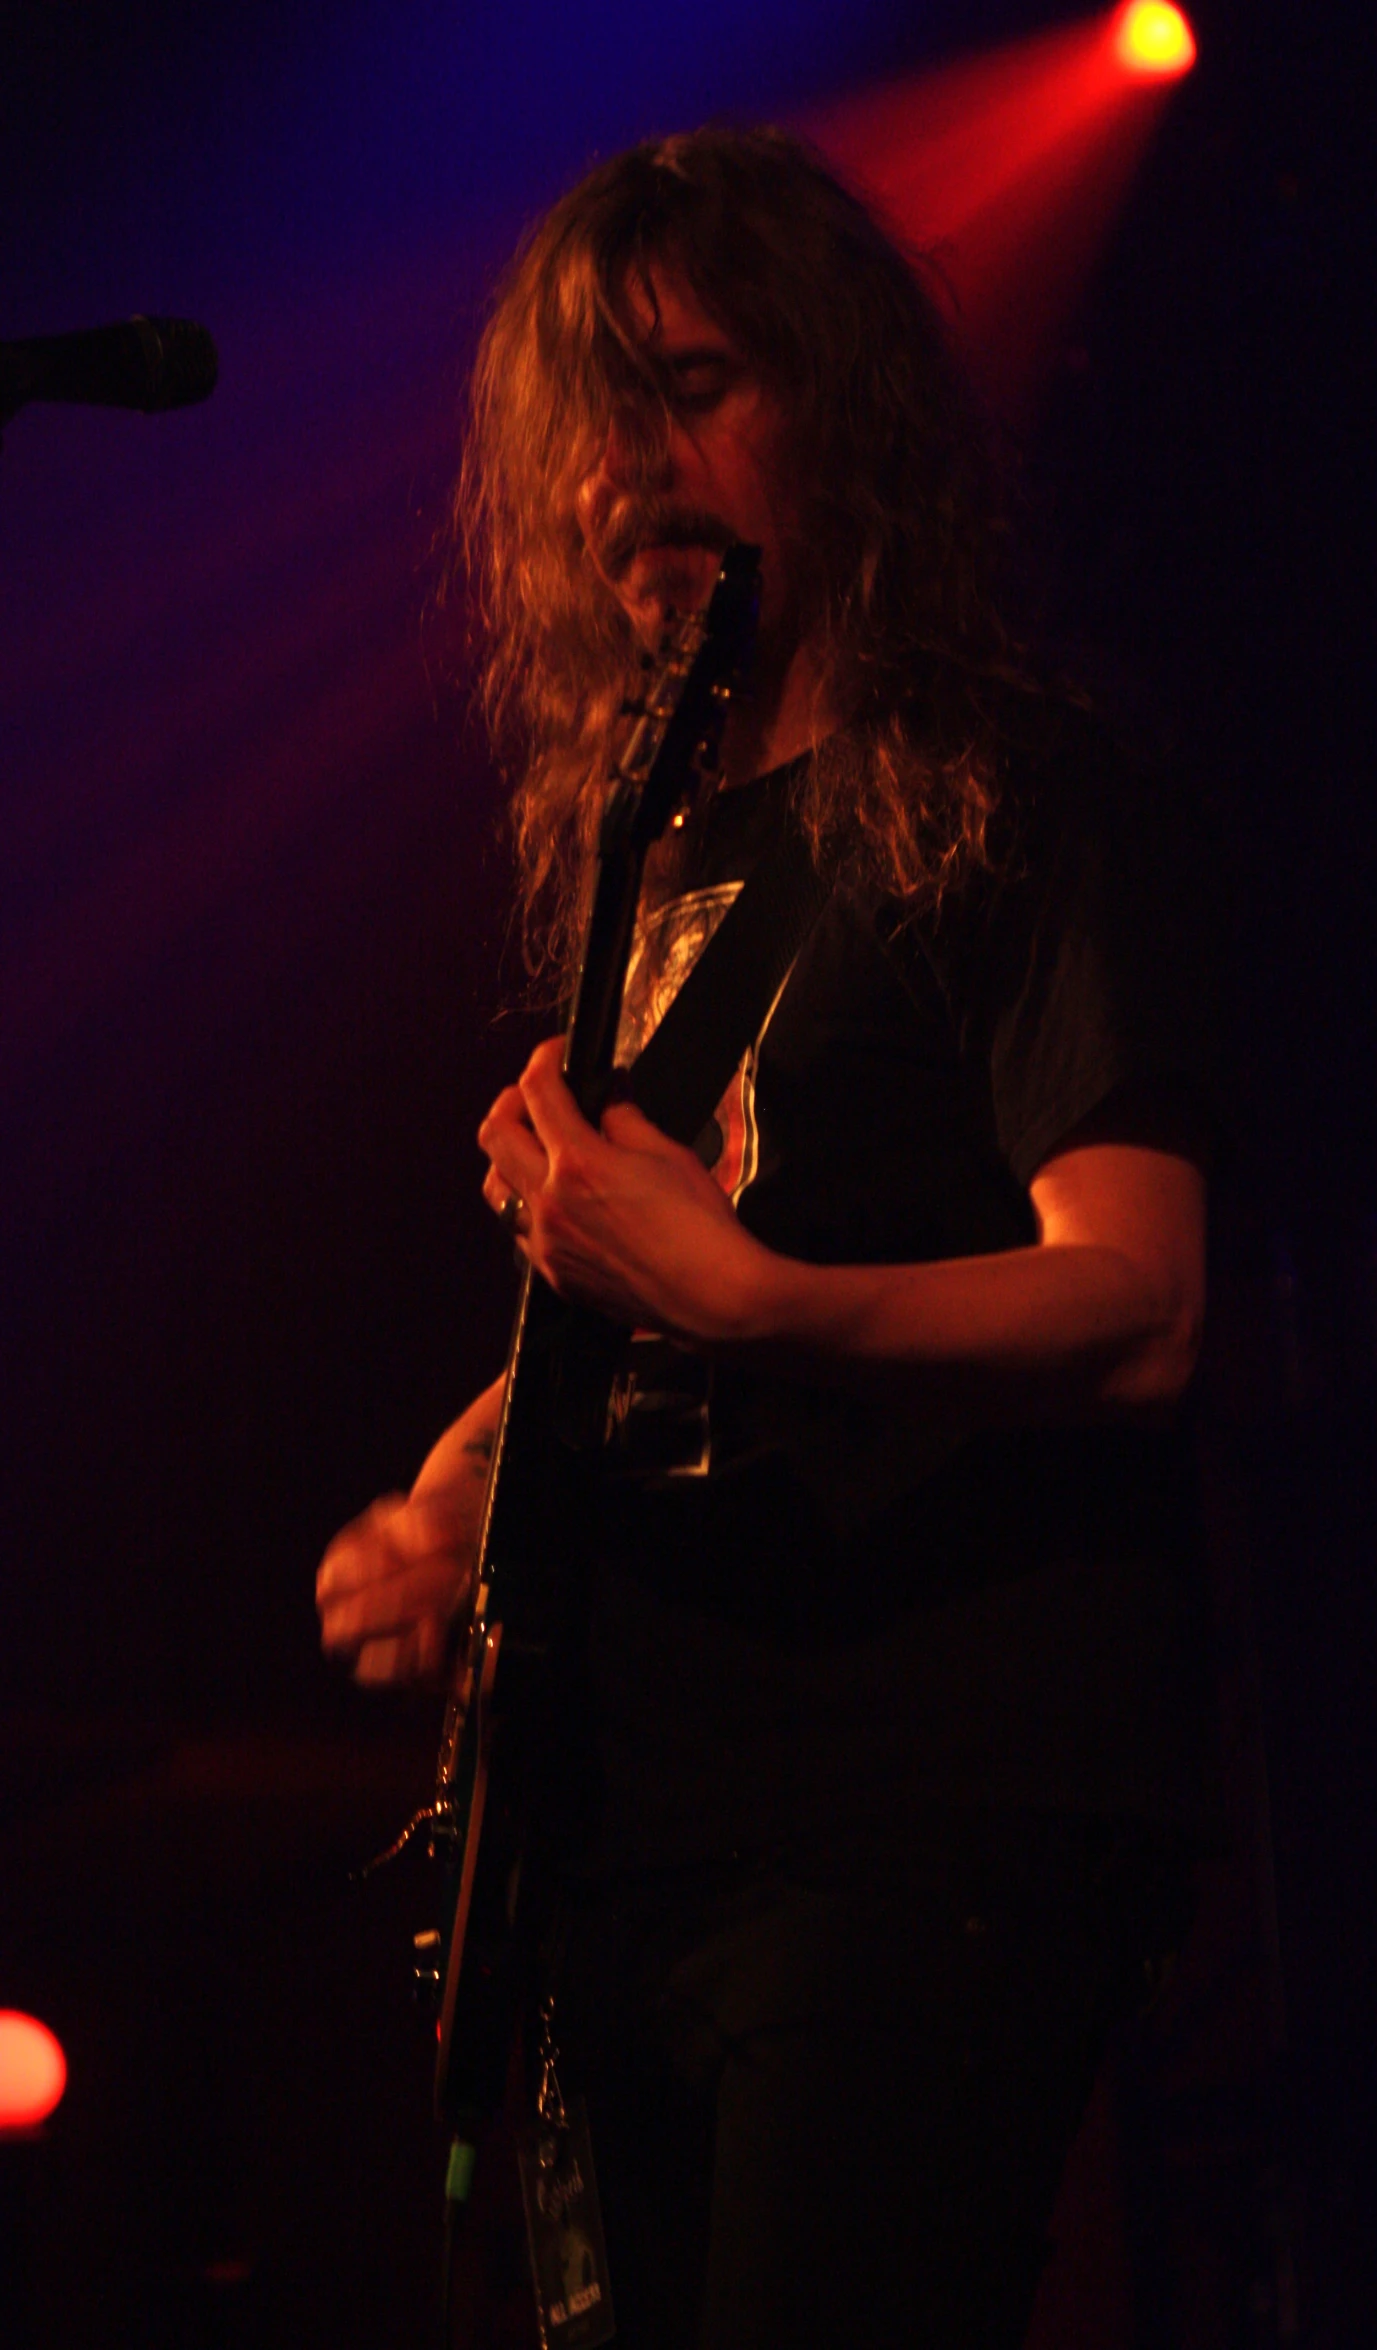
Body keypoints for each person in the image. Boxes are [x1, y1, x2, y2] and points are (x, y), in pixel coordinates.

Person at [317, 126, 1217, 2350]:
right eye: (593, 423)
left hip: (917, 1796)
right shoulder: (666, 858)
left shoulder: (1015, 788)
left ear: (841, 404)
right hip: (652, 1829)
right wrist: (457, 1499)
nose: (638, 464)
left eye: (696, 386)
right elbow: (655, 1294)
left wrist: (743, 1292)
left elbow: (1139, 1293)